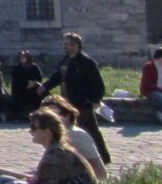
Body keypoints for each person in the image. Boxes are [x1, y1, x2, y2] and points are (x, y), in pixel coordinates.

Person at [38, 32, 109, 164]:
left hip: (82, 103)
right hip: (68, 103)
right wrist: (45, 86)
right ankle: (78, 157)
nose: (64, 46)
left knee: (85, 131)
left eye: (67, 44)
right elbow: (57, 77)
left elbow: (97, 83)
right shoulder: (66, 60)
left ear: (75, 45)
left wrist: (95, 100)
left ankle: (100, 158)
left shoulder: (86, 62)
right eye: (64, 44)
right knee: (83, 130)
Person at [40, 96, 107, 180]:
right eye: (45, 117)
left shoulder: (74, 134)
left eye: (55, 115)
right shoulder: (57, 134)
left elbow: (100, 173)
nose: (50, 120)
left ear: (67, 116)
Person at [9, 50, 43, 122]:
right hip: (19, 88)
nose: (22, 58)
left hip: (32, 89)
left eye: (24, 57)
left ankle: (38, 117)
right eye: (21, 57)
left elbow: (39, 78)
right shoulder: (16, 67)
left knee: (38, 96)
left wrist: (34, 82)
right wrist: (26, 84)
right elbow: (15, 79)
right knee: (17, 99)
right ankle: (16, 118)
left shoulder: (34, 66)